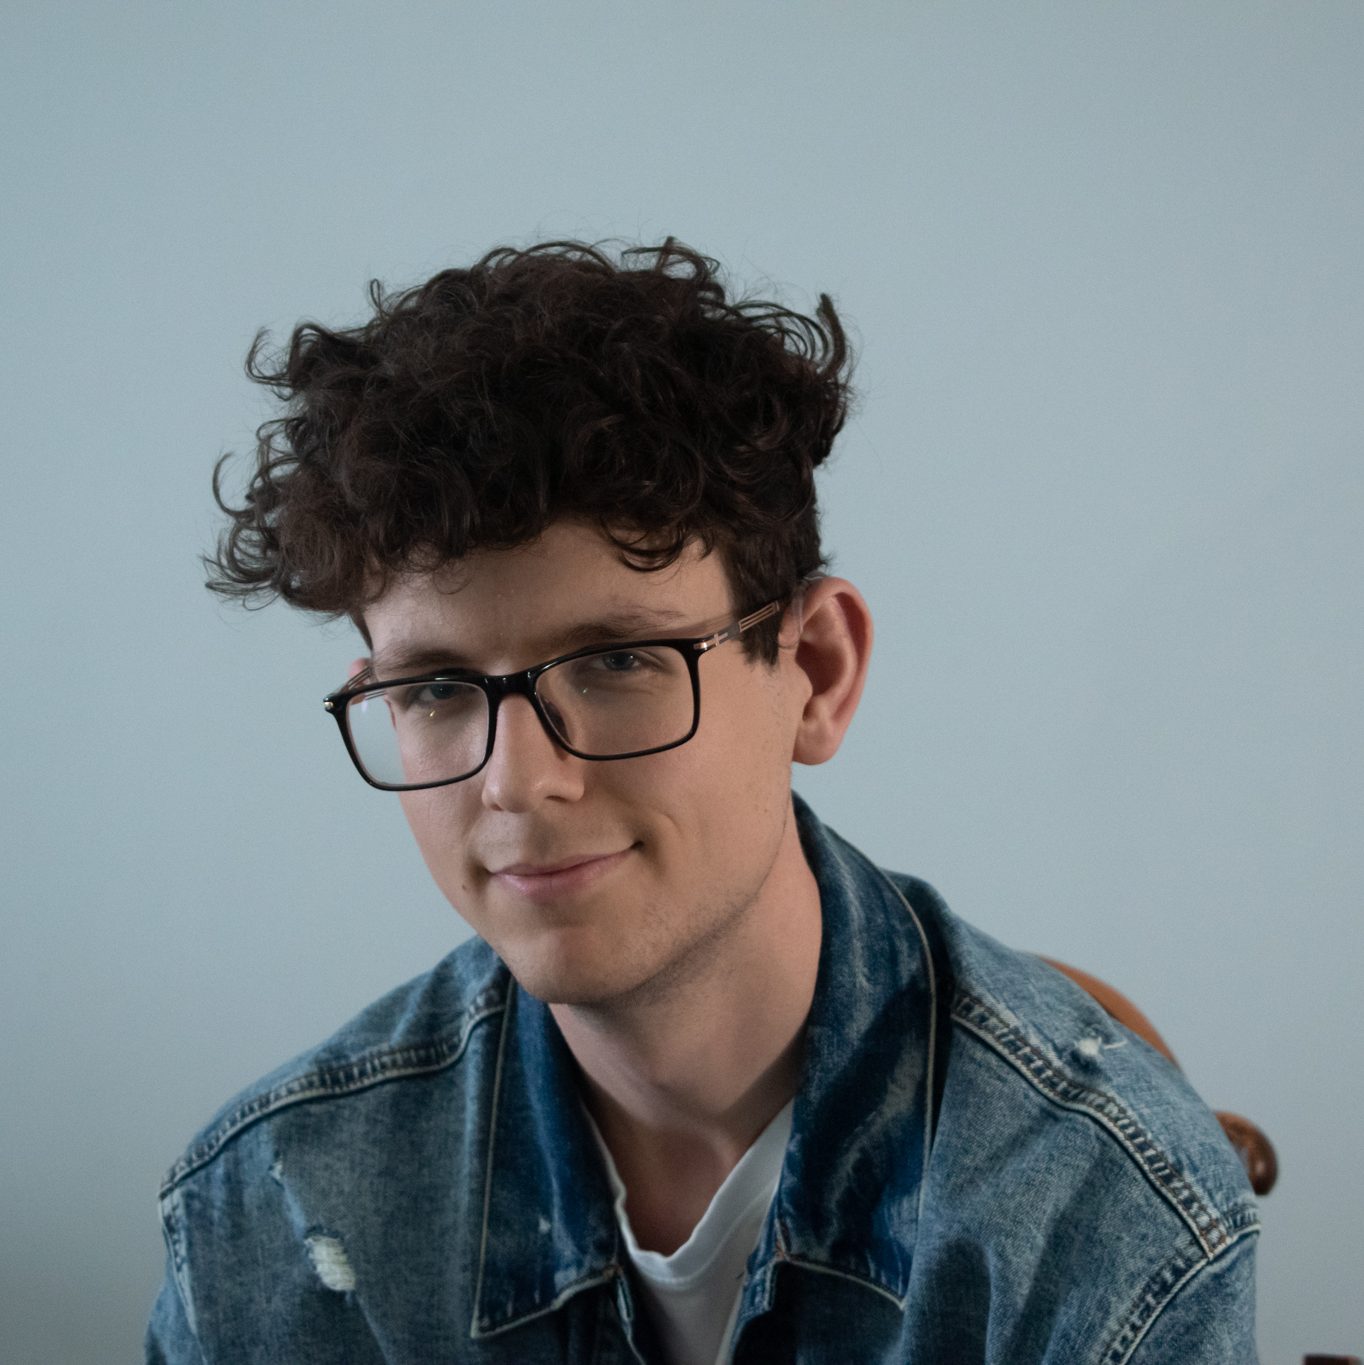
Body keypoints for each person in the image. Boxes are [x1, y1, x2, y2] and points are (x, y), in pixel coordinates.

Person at [146, 240, 1260, 1364]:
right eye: (436, 688)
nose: (516, 780)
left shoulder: (1102, 1212)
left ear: (815, 672)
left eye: (616, 662)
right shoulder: (265, 1221)